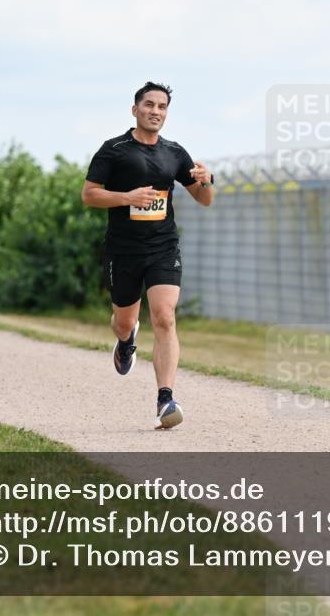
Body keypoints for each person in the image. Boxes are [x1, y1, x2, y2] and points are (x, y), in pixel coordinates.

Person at [81, 81, 214, 429]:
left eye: (162, 106)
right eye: (149, 105)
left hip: (163, 247)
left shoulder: (175, 153)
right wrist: (127, 197)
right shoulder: (114, 150)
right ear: (135, 109)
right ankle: (126, 341)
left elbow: (204, 199)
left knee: (165, 317)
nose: (156, 111)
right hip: (123, 250)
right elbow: (90, 195)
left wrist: (207, 180)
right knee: (124, 321)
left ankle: (165, 400)